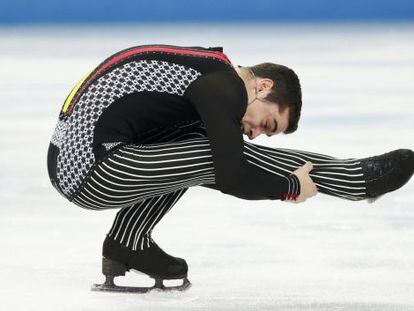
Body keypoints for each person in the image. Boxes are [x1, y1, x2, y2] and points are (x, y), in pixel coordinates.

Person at [47, 44, 414, 292]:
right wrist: (288, 187)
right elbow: (231, 173)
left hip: (81, 160)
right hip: (89, 170)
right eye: (268, 124)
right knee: (214, 152)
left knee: (201, 139)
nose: (255, 134)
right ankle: (353, 178)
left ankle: (127, 243)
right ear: (263, 86)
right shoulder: (222, 86)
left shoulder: (209, 73)